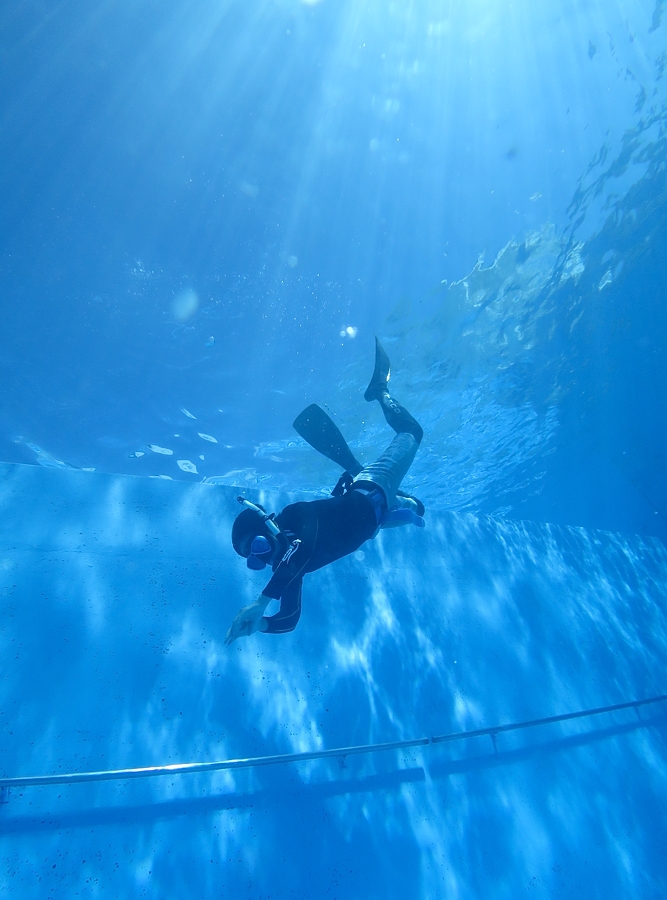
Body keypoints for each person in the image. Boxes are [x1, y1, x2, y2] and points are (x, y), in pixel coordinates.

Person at [225, 338, 425, 644]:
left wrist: (261, 601)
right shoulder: (286, 570)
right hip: (377, 518)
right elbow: (289, 619)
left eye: (259, 547)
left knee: (412, 433)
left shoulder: (294, 516)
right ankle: (363, 480)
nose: (264, 559)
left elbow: (302, 547)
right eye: (255, 560)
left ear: (268, 523)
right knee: (417, 508)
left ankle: (379, 392)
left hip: (375, 485)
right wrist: (261, 624)